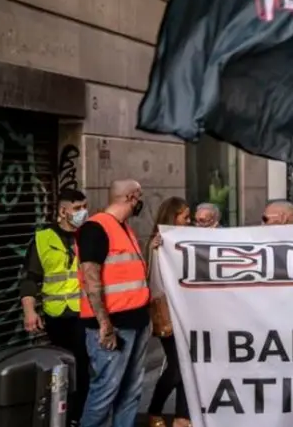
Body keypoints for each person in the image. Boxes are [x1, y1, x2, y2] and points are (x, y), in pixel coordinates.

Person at [77, 179, 151, 427]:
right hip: (114, 326)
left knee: (131, 391)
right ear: (131, 197)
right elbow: (91, 279)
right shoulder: (95, 228)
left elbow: (130, 274)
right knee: (105, 392)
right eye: (140, 196)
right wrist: (105, 325)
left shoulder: (124, 229)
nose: (141, 202)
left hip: (137, 321)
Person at [19, 188, 90, 426]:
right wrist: (29, 311)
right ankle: (62, 415)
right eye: (77, 208)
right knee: (61, 369)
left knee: (82, 366)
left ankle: (78, 417)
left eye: (85, 207)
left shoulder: (88, 235)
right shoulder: (43, 239)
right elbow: (30, 279)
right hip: (56, 316)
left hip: (83, 313)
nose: (83, 213)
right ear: (63, 211)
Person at [147, 197, 192, 427]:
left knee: (186, 366)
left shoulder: (182, 239)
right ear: (173, 217)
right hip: (168, 313)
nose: (189, 221)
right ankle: (154, 411)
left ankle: (181, 416)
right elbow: (155, 282)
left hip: (186, 314)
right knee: (177, 368)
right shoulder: (159, 243)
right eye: (186, 216)